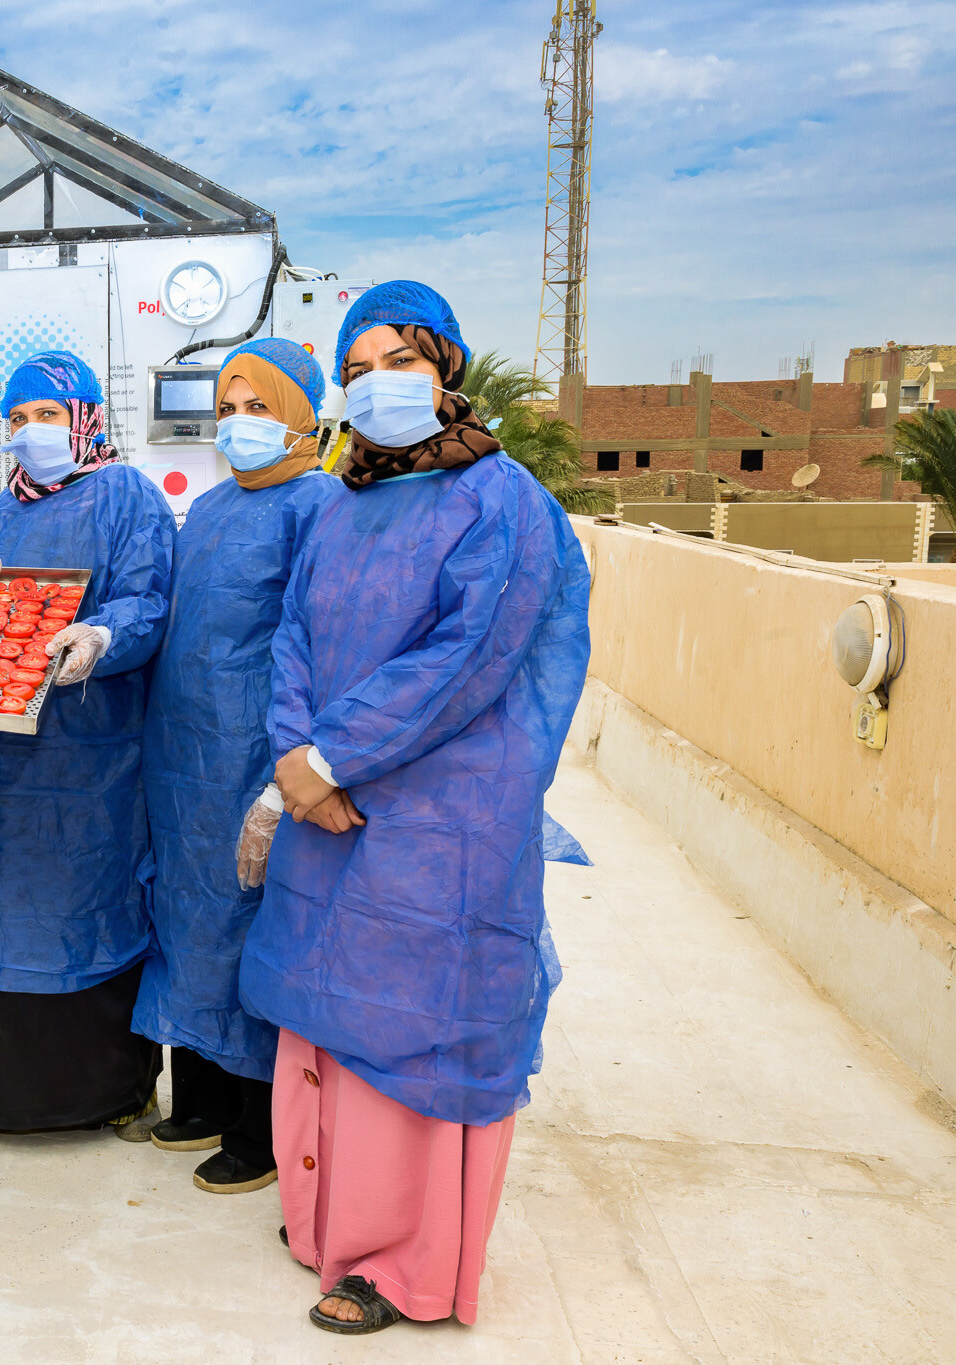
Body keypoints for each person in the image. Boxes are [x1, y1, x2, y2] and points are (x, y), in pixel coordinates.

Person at [238, 282, 590, 1333]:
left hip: (440, 813)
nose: (375, 385)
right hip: (325, 798)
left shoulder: (503, 500)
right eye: (355, 371)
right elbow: (293, 638)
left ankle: (399, 1265)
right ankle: (324, 1222)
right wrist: (298, 759)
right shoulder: (342, 502)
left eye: (399, 362)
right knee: (326, 1012)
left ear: (446, 373)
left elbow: (469, 657)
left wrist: (335, 759)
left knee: (415, 1032)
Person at [0, 350, 174, 1135]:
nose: (31, 432)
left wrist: (105, 636)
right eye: (17, 419)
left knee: (89, 905)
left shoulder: (127, 497)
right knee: (2, 909)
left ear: (85, 419)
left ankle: (105, 1090)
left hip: (92, 759)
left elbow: (150, 599)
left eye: (47, 414)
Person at [132, 338, 338, 1194]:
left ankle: (258, 1130)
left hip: (256, 756)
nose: (239, 424)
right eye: (228, 408)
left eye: (260, 407)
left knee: (249, 934)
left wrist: (286, 770)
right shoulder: (212, 509)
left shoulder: (318, 506)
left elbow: (321, 645)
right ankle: (202, 1097)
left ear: (302, 417)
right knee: (186, 924)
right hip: (183, 760)